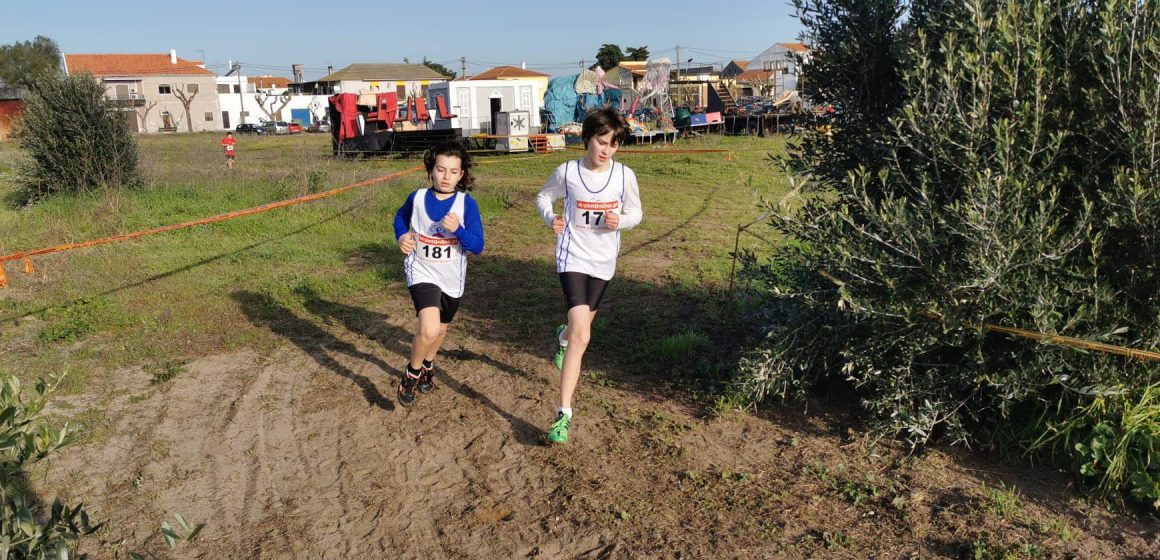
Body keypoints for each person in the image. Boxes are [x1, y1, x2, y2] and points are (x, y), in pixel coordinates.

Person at [535, 107, 642, 443]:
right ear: (587, 138)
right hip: (572, 257)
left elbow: (636, 212)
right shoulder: (567, 172)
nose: (606, 149)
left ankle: (563, 336)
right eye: (601, 140)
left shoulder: (624, 176)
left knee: (578, 330)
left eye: (613, 144)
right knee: (584, 337)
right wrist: (550, 218)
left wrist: (620, 221)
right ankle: (562, 415)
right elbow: (543, 196)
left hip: (603, 262)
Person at [393, 140, 485, 406]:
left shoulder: (467, 204)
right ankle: (411, 373)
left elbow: (477, 246)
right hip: (421, 269)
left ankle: (428, 365)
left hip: (452, 278)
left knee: (441, 331)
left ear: (462, 174)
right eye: (441, 170)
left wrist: (458, 229)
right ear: (431, 171)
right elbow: (400, 218)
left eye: (453, 171)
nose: (447, 177)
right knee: (429, 327)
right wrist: (402, 237)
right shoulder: (417, 198)